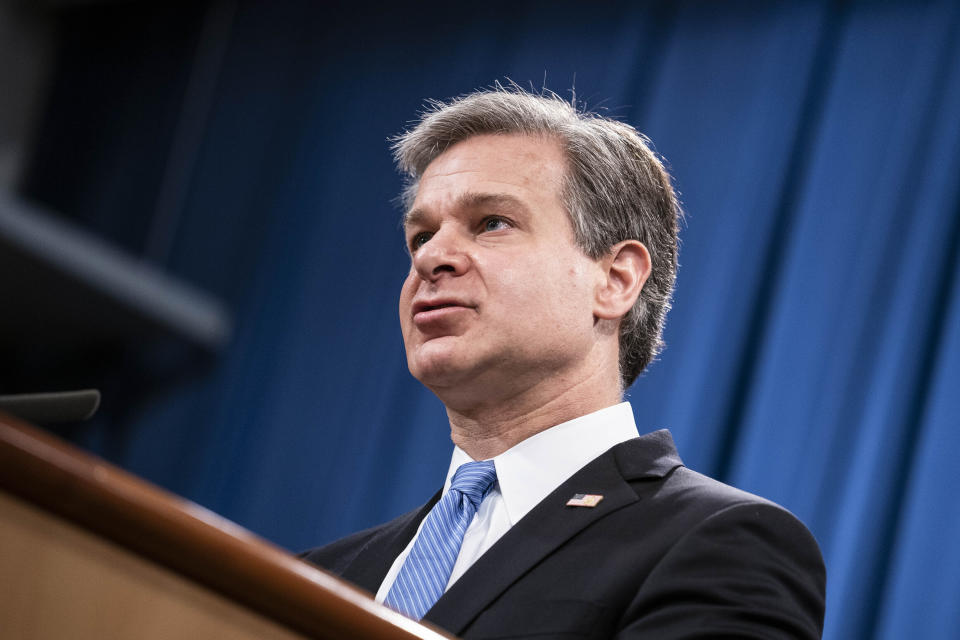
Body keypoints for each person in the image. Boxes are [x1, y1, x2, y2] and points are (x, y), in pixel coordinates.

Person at [301, 86, 826, 639]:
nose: (431, 257)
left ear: (615, 280)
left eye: (491, 223)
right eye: (422, 236)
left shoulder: (718, 541)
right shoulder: (321, 574)